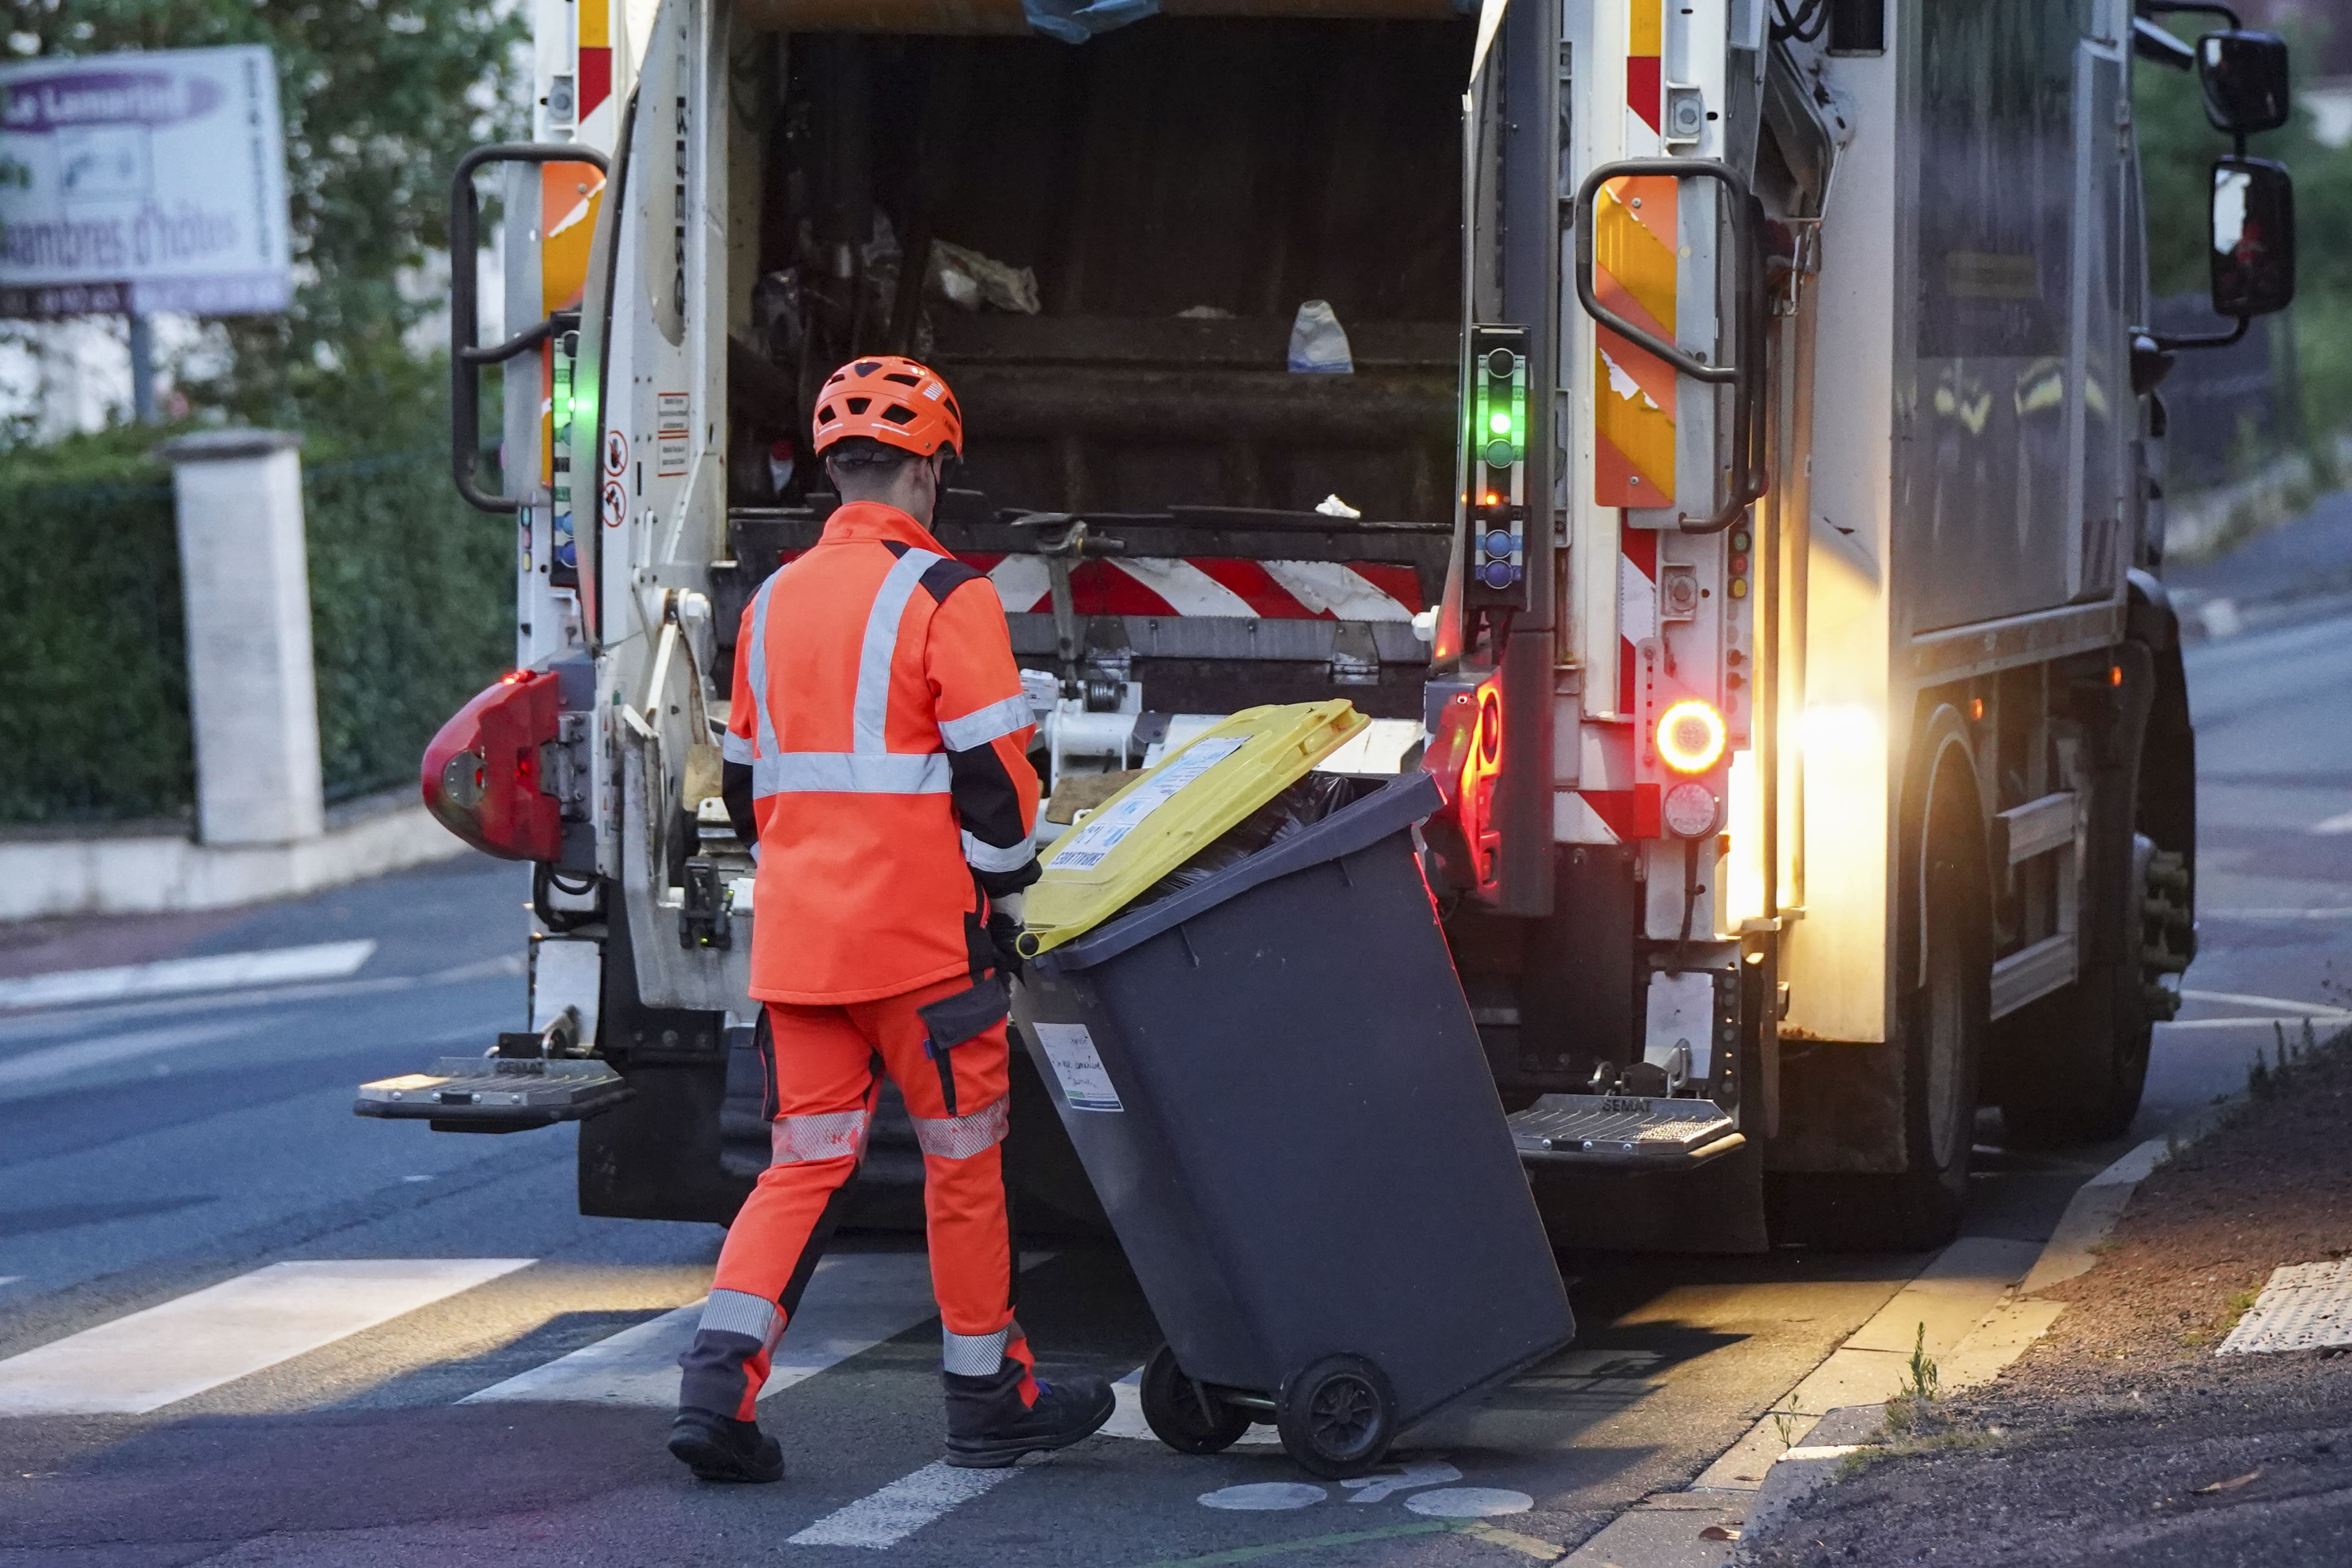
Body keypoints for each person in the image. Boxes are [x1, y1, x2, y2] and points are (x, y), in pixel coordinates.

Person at [669, 356, 1112, 1483]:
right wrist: (1010, 895)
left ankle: (717, 1389)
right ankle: (986, 1403)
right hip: (923, 951)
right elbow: (994, 784)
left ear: (834, 474)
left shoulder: (770, 602)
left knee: (802, 1164)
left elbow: (741, 783)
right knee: (961, 1162)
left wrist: (814, 874)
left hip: (803, 948)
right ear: (930, 475)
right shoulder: (945, 594)